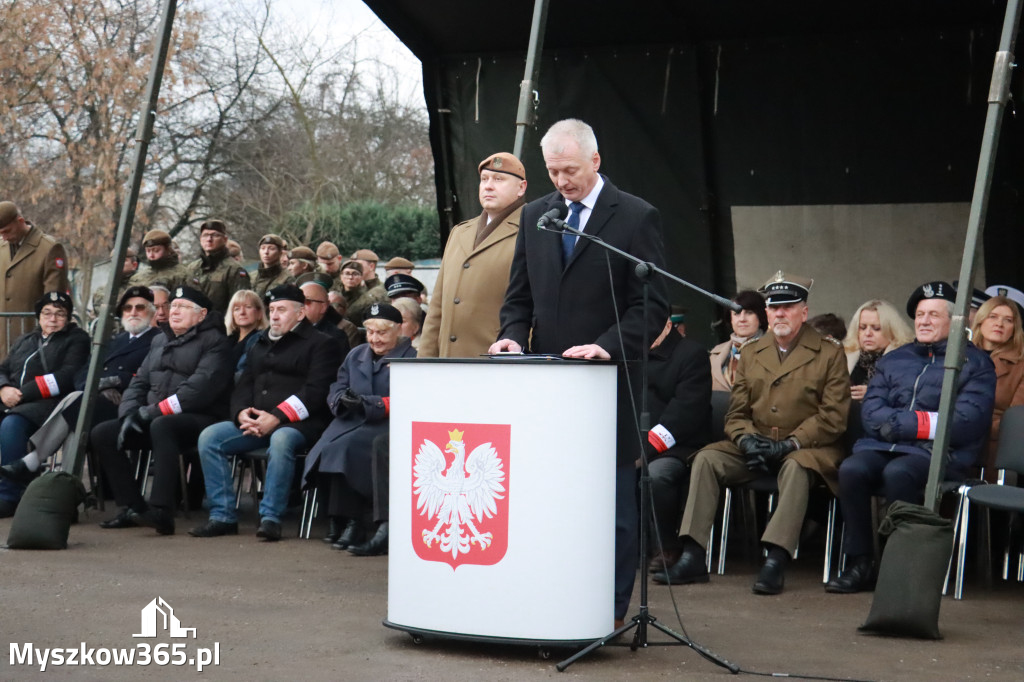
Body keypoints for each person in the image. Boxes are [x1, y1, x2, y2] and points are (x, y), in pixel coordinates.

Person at [489, 119, 668, 625]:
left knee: (612, 507)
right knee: (550, 500)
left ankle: (608, 611)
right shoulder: (536, 217)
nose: (561, 181)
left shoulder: (635, 217)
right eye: (552, 171)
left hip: (609, 384)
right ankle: (551, 596)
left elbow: (651, 304)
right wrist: (510, 334)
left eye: (569, 170)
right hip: (547, 387)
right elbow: (519, 296)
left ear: (595, 160)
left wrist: (605, 346)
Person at [653, 271, 850, 595]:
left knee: (796, 467)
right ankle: (693, 554)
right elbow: (736, 412)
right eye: (774, 307)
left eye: (789, 306)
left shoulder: (828, 353)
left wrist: (791, 442)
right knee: (707, 459)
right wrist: (744, 438)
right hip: (756, 443)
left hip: (809, 447)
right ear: (767, 313)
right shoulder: (753, 351)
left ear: (804, 311)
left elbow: (832, 418)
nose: (780, 313)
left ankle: (775, 559)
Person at [826, 281, 995, 593]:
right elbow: (871, 410)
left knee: (898, 472)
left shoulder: (976, 363)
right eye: (919, 315)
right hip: (882, 445)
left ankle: (899, 566)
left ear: (955, 321)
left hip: (939, 453)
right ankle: (860, 562)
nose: (924, 321)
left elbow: (965, 421)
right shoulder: (896, 359)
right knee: (851, 469)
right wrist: (895, 424)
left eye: (933, 314)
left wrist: (903, 424)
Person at [190, 284, 337, 541]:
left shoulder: (322, 344)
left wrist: (277, 417)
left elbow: (316, 391)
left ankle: (270, 518)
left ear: (300, 313)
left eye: (282, 310)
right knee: (210, 437)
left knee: (281, 440)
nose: (275, 315)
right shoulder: (260, 341)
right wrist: (240, 414)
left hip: (301, 423)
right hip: (257, 420)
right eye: (272, 310)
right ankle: (222, 516)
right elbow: (244, 383)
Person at [93, 286, 233, 535]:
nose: (174, 311)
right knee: (104, 433)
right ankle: (133, 507)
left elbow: (197, 391)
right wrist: (128, 414)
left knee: (163, 425)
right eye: (173, 306)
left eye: (183, 307)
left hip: (201, 417)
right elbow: (139, 382)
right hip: (157, 413)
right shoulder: (160, 339)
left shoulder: (216, 343)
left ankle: (162, 510)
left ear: (201, 315)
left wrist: (150, 413)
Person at [0, 286, 160, 486]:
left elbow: (70, 374)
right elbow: (85, 373)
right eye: (128, 308)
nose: (133, 312)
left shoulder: (157, 339)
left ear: (153, 312)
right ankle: (42, 474)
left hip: (125, 403)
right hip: (92, 399)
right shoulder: (114, 342)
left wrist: (110, 382)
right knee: (76, 402)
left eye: (140, 308)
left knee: (23, 421)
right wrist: (4, 388)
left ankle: (46, 486)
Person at [304, 303, 416, 555]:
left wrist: (371, 404)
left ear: (398, 330)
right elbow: (337, 385)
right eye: (370, 332)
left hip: (385, 423)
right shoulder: (356, 355)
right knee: (325, 448)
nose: (374, 339)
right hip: (350, 419)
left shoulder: (411, 357)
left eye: (382, 333)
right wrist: (340, 399)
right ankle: (338, 519)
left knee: (346, 449)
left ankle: (354, 522)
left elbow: (409, 398)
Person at [420, 152, 527, 358]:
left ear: (521, 188)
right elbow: (437, 308)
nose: (488, 186)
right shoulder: (460, 232)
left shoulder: (532, 231)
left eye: (499, 179)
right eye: (484, 179)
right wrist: (424, 362)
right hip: (448, 365)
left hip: (497, 366)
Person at [0, 292, 89, 516]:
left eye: (60, 314)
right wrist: (3, 388)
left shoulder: (77, 339)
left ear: (68, 318)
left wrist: (22, 394)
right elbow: (3, 368)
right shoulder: (26, 340)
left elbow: (67, 375)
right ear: (38, 317)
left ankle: (9, 495)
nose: (52, 318)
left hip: (47, 403)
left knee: (12, 425)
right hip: (10, 398)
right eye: (47, 313)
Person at [645, 316, 713, 573]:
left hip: (681, 444)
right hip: (636, 442)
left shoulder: (691, 353)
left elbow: (685, 413)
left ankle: (667, 546)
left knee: (657, 475)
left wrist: (645, 448)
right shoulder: (630, 350)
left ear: (667, 325)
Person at [0, 202, 70, 353]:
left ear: (20, 221)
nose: (4, 237)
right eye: (0, 233)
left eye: (7, 231)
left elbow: (54, 298)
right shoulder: (2, 248)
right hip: (3, 338)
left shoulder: (48, 248)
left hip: (33, 337)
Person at [971, 295, 1024, 476]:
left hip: (994, 445)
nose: (999, 324)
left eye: (1007, 320)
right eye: (993, 317)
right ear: (980, 320)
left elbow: (1016, 421)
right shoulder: (959, 355)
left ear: (1014, 328)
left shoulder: (1021, 365)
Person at [842, 299, 913, 401]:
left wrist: (876, 394)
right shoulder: (843, 358)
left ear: (892, 331)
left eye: (876, 328)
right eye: (862, 328)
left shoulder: (905, 361)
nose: (868, 333)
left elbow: (908, 398)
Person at [186, 219, 251, 313]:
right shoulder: (192, 268)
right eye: (205, 235)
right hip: (193, 323)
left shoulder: (234, 270)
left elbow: (240, 306)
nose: (209, 239)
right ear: (200, 239)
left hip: (220, 325)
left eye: (215, 235)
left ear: (225, 240)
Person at [709, 290, 768, 392]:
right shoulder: (715, 353)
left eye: (749, 313)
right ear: (730, 318)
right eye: (736, 313)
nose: (742, 319)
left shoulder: (774, 350)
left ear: (761, 317)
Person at [298, 279, 352, 364]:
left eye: (306, 301)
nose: (300, 306)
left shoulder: (335, 337)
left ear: (323, 307)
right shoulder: (286, 329)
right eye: (297, 301)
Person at [226, 289, 268, 381]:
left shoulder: (260, 340)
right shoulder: (227, 339)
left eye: (248, 307)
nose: (242, 312)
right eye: (237, 309)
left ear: (259, 313)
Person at [347, 249, 389, 325]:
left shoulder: (383, 290)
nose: (354, 268)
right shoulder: (348, 287)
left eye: (358, 265)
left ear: (371, 266)